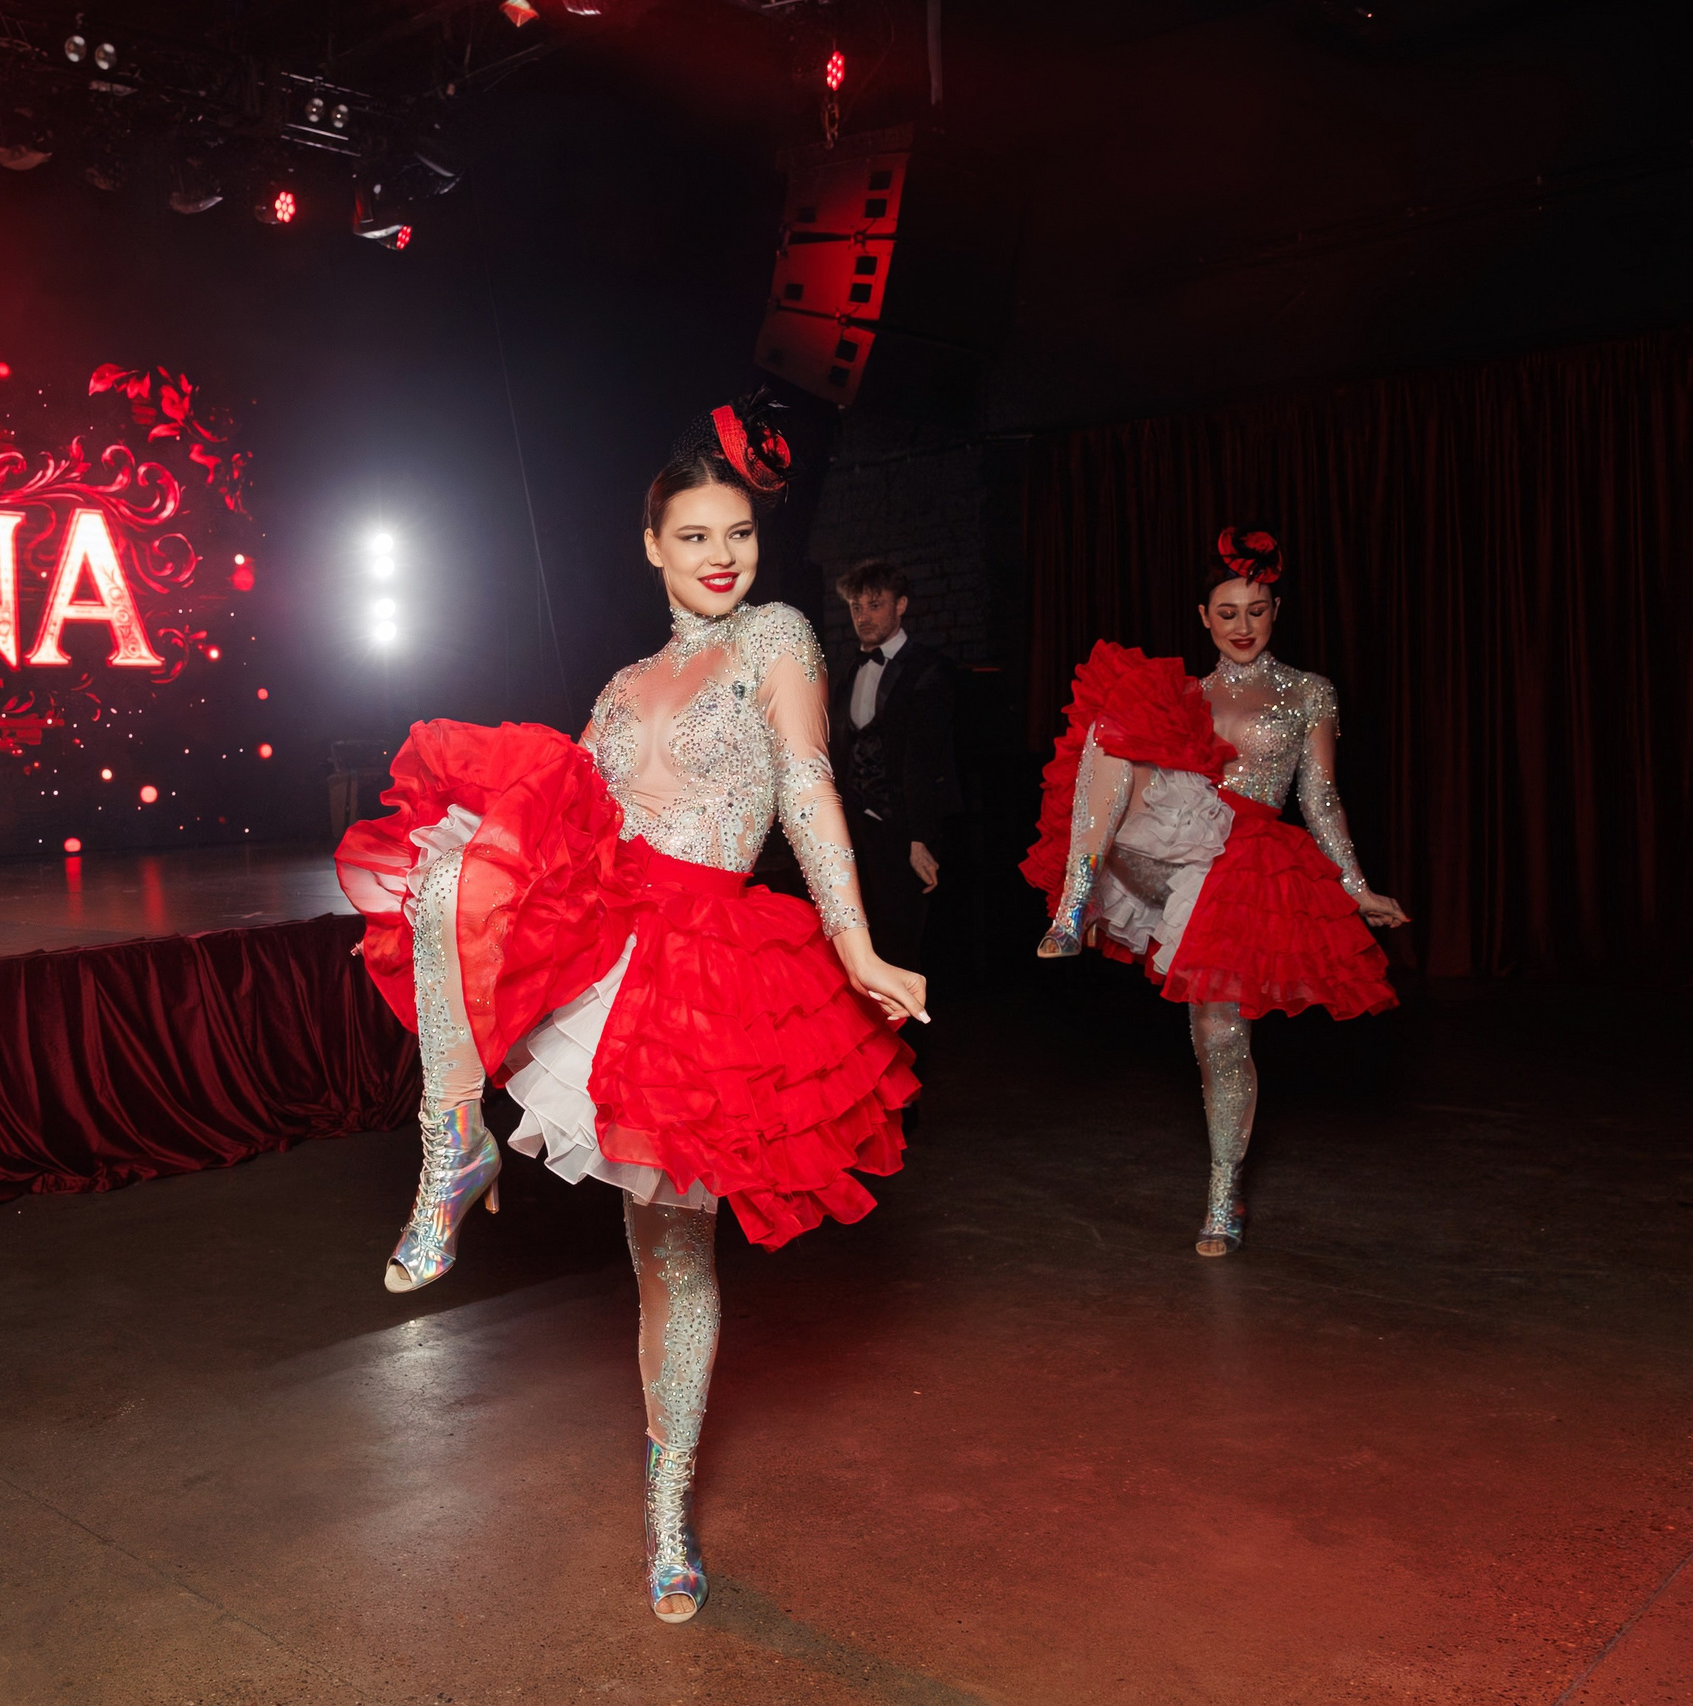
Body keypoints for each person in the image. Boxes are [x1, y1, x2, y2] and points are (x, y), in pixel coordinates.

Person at [335, 395, 929, 1625]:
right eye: (696, 535)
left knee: (673, 1255)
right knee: (448, 866)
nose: (722, 555)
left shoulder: (777, 640)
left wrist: (856, 939)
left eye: (739, 534)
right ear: (649, 544)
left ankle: (667, 1521)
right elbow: (582, 822)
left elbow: (809, 785)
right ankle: (453, 1147)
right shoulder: (617, 684)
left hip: (709, 961)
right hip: (612, 930)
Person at [1023, 525, 1409, 1257]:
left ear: (1276, 610)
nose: (1241, 626)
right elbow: (1126, 764)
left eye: (1256, 611)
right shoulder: (1186, 694)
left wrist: (1355, 887)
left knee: (1219, 1035)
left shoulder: (1307, 692)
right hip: (1176, 833)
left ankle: (1224, 1194)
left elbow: (1321, 798)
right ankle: (1076, 899)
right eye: (1226, 612)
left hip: (1244, 860)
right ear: (1204, 617)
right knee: (1114, 719)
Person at [830, 560, 960, 970]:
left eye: (874, 605)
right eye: (856, 608)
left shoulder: (929, 668)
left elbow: (925, 759)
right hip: (857, 829)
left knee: (906, 945)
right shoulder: (850, 671)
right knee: (864, 941)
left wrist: (920, 837)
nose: (863, 617)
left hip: (904, 829)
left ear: (900, 605)